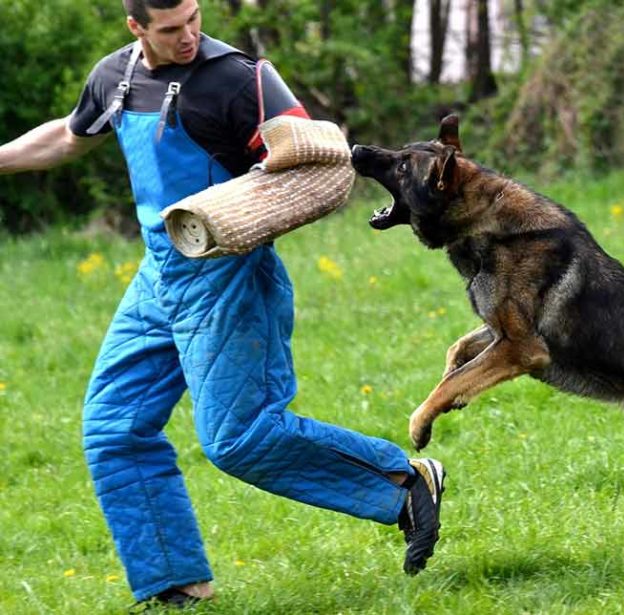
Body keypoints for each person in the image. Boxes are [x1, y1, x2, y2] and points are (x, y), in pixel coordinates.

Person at [0, 0, 447, 608]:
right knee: (114, 429)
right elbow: (70, 135)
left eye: (193, 18)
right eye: (169, 28)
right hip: (158, 275)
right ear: (137, 28)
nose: (188, 36)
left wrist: (276, 163)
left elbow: (317, 158)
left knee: (238, 437)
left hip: (228, 273)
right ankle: (176, 585)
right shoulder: (114, 77)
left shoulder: (241, 79)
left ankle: (403, 482)